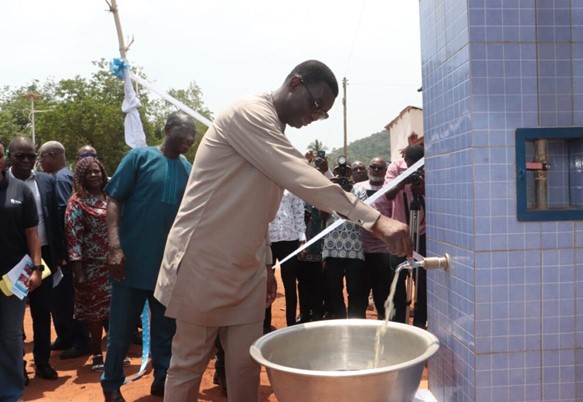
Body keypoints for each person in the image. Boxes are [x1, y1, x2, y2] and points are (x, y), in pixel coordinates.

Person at [154, 60, 412, 402]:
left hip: (246, 269)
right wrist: (376, 220)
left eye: (322, 113)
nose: (314, 116)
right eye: (315, 104)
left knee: (246, 366)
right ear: (294, 83)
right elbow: (300, 175)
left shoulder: (273, 129)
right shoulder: (248, 113)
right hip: (205, 260)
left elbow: (258, 211)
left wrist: (264, 266)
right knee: (188, 364)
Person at [101, 111, 196, 402]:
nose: (190, 139)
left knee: (166, 330)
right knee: (120, 330)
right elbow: (114, 199)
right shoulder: (138, 158)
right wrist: (114, 247)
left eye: (193, 135)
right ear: (167, 128)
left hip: (167, 268)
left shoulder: (187, 168)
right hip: (130, 264)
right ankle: (112, 384)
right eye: (184, 132)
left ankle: (162, 379)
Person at [8, 136, 63, 381]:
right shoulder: (3, 183)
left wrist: (59, 256)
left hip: (44, 256)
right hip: (11, 260)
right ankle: (17, 365)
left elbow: (54, 220)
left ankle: (42, 362)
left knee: (42, 313)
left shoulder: (46, 181)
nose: (27, 161)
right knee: (13, 318)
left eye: (32, 156)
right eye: (21, 156)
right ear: (10, 156)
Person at [37, 140, 92, 359]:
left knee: (66, 296)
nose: (40, 163)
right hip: (65, 249)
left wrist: (62, 252)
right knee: (58, 296)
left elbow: (62, 217)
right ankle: (65, 335)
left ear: (52, 155)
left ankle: (80, 339)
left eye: (42, 158)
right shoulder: (65, 176)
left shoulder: (60, 179)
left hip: (65, 250)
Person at [0, 141, 43, 401]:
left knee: (11, 336)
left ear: (3, 158)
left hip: (12, 277)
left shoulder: (20, 190)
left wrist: (37, 268)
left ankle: (11, 393)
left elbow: (32, 233)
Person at [65, 157, 111, 371]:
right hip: (91, 267)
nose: (94, 175)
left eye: (97, 171)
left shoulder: (111, 197)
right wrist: (78, 269)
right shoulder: (77, 201)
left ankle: (114, 351)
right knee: (95, 313)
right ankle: (96, 354)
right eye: (89, 172)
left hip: (114, 265)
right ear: (81, 177)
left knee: (115, 310)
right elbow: (73, 236)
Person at [385, 144, 427, 327]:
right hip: (400, 232)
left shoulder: (429, 166)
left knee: (423, 278)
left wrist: (423, 187)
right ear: (406, 161)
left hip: (423, 232)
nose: (415, 168)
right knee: (398, 273)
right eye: (412, 164)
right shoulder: (395, 167)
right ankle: (399, 321)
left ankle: (420, 321)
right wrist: (403, 181)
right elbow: (388, 194)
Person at [322, 168, 369, 319]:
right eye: (338, 172)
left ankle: (355, 321)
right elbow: (323, 215)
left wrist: (348, 194)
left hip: (354, 249)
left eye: (345, 172)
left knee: (355, 289)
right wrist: (331, 191)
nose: (342, 176)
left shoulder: (359, 191)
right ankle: (341, 319)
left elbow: (362, 216)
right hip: (332, 248)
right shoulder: (330, 190)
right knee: (334, 288)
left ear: (350, 175)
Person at [354, 157, 393, 319]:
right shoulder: (357, 187)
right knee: (360, 295)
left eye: (380, 168)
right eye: (373, 167)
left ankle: (383, 332)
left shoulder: (391, 189)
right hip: (360, 251)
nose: (376, 170)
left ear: (386, 170)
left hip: (383, 252)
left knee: (382, 294)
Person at [267, 189, 306, 327]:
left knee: (290, 284)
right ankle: (266, 325)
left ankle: (291, 323)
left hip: (289, 239)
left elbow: (298, 212)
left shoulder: (290, 186)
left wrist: (302, 238)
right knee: (267, 283)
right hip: (268, 240)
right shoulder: (264, 184)